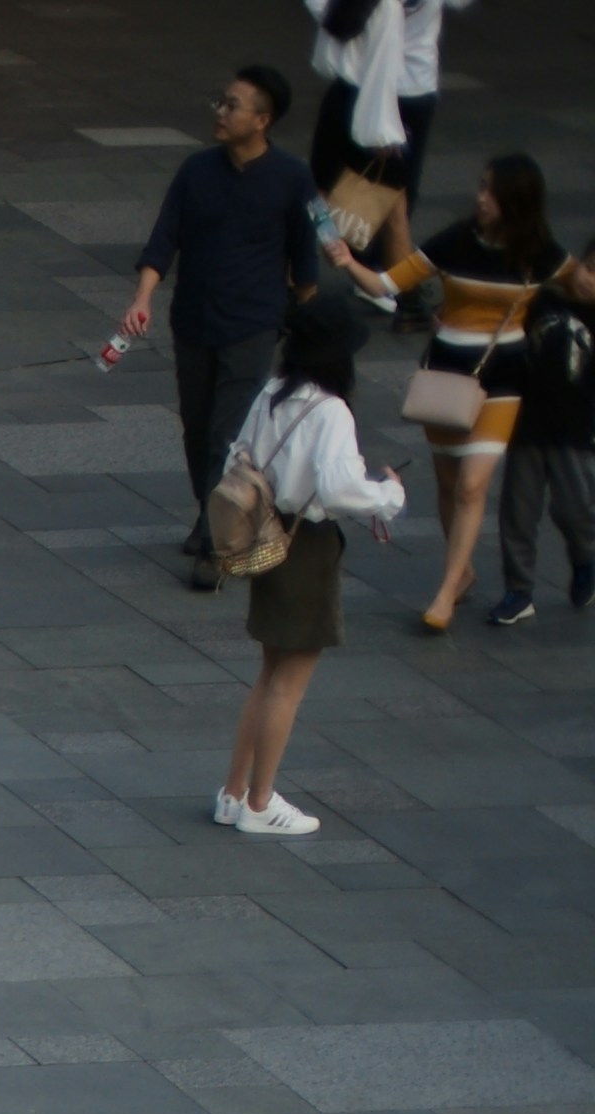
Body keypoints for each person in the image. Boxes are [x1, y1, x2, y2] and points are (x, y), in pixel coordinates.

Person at [117, 67, 321, 591]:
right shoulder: (196, 171)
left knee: (228, 436)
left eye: (233, 106)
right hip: (193, 321)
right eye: (222, 103)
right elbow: (164, 239)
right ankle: (208, 512)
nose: (221, 113)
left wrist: (308, 327)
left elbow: (308, 261)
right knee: (197, 427)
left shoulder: (292, 178)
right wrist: (142, 297)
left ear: (262, 119)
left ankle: (215, 547)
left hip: (253, 325)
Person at [222, 295, 406, 832]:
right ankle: (260, 803)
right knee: (290, 681)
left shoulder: (272, 395)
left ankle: (234, 792)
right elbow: (340, 489)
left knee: (268, 672)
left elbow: (240, 454)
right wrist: (389, 496)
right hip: (306, 542)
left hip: (265, 535)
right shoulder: (330, 411)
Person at [390, 151, 551, 628]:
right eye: (481, 188)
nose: (480, 198)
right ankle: (462, 576)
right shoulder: (459, 239)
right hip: (448, 374)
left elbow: (571, 286)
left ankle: (444, 592)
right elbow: (395, 278)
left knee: (472, 485)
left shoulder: (537, 251)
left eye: (491, 192)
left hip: (504, 377)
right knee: (447, 483)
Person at [492, 248, 595, 619]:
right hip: (528, 425)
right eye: (588, 268)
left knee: (575, 509)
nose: (588, 280)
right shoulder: (545, 300)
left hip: (574, 432)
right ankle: (518, 590)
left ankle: (585, 558)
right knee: (518, 511)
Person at [310, 0, 453, 211]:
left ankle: (335, 241)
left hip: (384, 86)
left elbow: (332, 19)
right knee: (327, 186)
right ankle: (332, 241)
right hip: (389, 86)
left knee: (390, 195)